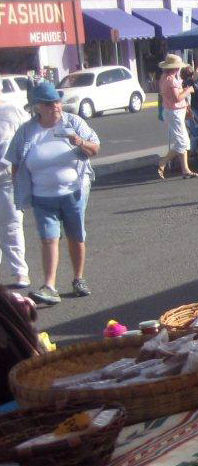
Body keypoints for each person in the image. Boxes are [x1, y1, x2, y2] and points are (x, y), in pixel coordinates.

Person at [4, 81, 100, 306]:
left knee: (76, 236)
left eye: (56, 101)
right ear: (37, 107)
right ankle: (49, 286)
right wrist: (20, 184)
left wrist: (80, 142)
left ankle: (78, 278)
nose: (55, 106)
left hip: (73, 191)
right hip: (42, 196)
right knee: (48, 239)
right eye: (48, 103)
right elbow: (14, 161)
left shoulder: (73, 122)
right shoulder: (27, 131)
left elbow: (95, 147)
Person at [0, 89, 29, 289]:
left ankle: (20, 273)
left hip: (8, 177)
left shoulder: (11, 109)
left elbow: (29, 134)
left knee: (12, 225)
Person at [157, 55, 198, 179]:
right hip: (174, 112)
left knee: (184, 141)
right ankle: (163, 162)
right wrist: (188, 90)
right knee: (182, 142)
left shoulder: (164, 77)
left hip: (174, 112)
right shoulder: (171, 80)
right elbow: (177, 98)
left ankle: (185, 169)